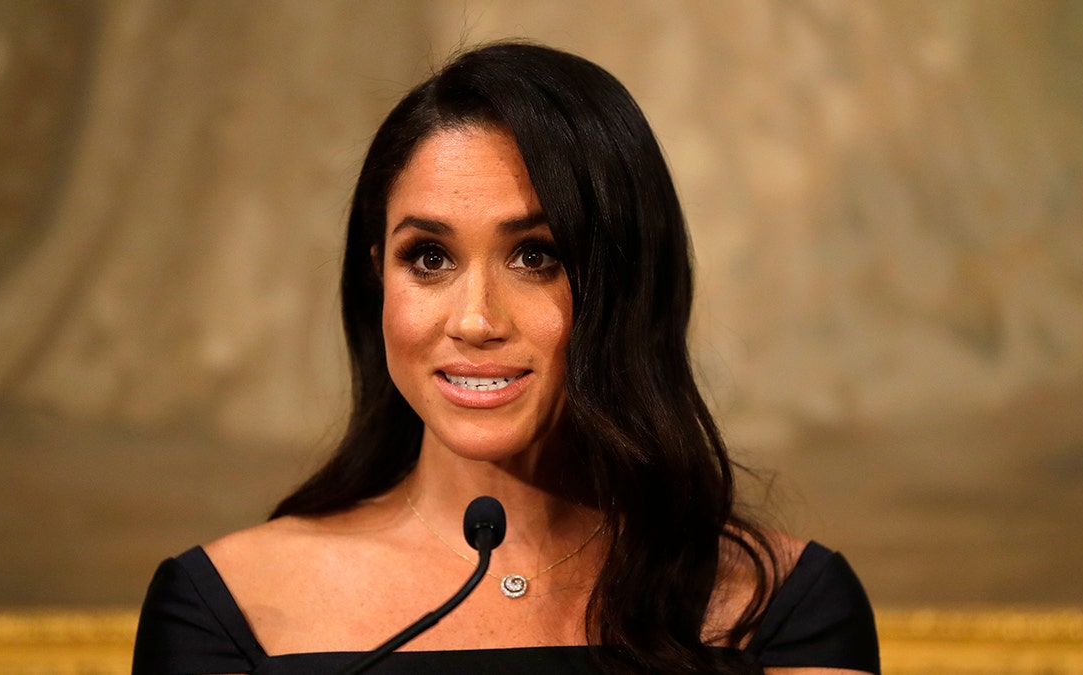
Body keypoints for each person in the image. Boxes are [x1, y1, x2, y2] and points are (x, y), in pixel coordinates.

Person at [132, 41, 880, 675]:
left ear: (628, 285)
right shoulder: (224, 609)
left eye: (536, 255)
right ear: (376, 277)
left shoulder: (783, 607)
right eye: (428, 258)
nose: (476, 319)